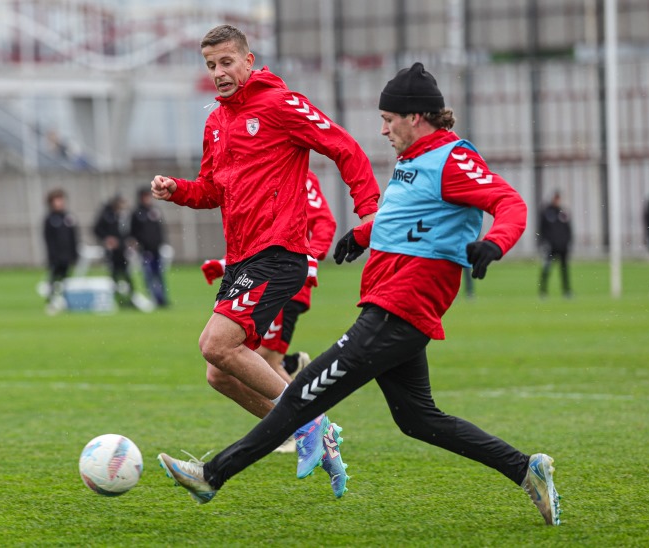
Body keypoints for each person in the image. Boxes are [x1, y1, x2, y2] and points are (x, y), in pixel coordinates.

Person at [157, 63, 561, 527]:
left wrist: (495, 242)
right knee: (418, 419)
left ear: (416, 117)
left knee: (300, 398)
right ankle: (523, 468)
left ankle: (212, 475)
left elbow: (510, 202)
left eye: (389, 119)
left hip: (398, 310)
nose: (383, 128)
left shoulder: (452, 158)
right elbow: (407, 218)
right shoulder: (414, 160)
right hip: (390, 307)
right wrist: (363, 235)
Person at [150, 24, 380, 496]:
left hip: (279, 251)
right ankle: (313, 431)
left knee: (216, 345)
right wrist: (178, 191)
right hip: (242, 259)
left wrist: (370, 212)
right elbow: (213, 190)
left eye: (226, 62)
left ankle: (310, 422)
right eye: (211, 65)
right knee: (220, 373)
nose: (218, 73)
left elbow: (344, 146)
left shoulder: (279, 104)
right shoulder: (216, 122)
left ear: (249, 61)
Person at [200, 170, 337, 452]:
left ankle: (305, 430)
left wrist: (312, 257)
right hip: (259, 280)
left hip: (286, 283)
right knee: (237, 365)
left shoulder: (299, 175)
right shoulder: (257, 172)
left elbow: (324, 221)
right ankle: (297, 424)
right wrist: (226, 262)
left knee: (260, 361)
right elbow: (260, 240)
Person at [130, 186, 169, 307]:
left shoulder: (154, 211)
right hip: (145, 250)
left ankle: (162, 299)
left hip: (156, 248)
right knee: (149, 275)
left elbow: (160, 228)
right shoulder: (137, 213)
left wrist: (161, 242)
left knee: (160, 275)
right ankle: (153, 298)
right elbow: (133, 232)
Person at [93, 194, 134, 306]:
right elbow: (97, 229)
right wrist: (107, 239)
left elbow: (127, 232)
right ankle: (118, 299)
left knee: (126, 274)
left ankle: (130, 298)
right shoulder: (106, 215)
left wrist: (129, 240)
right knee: (114, 275)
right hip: (112, 252)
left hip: (122, 250)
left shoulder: (123, 215)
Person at [43, 189, 79, 311]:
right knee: (54, 279)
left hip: (68, 255)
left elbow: (74, 237)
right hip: (56, 256)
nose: (59, 202)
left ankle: (66, 301)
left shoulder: (69, 217)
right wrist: (52, 256)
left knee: (66, 280)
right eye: (56, 200)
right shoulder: (50, 220)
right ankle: (52, 301)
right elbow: (48, 240)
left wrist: (75, 254)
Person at [538, 191, 573, 298]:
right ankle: (543, 291)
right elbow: (542, 229)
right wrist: (542, 243)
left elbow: (568, 229)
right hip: (551, 247)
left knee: (564, 270)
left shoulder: (563, 212)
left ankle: (566, 291)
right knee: (546, 269)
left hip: (562, 247)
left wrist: (568, 242)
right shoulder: (547, 212)